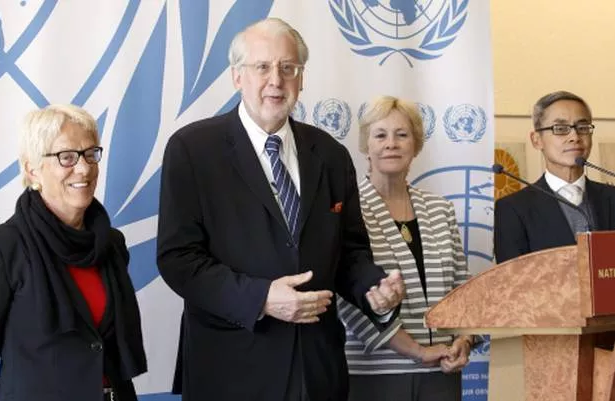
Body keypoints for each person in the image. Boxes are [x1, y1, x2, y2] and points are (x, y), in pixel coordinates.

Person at [157, 18, 405, 401]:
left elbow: (350, 253)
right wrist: (260, 298)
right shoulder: (192, 150)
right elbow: (178, 259)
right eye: (262, 67)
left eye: (288, 68)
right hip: (230, 372)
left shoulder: (331, 155)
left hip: (317, 371)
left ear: (301, 78)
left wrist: (374, 288)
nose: (276, 80)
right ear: (237, 76)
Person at [0, 105, 147, 401]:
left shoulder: (111, 243)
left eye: (90, 154)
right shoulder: (2, 248)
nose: (84, 168)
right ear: (32, 169)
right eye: (67, 157)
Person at [337, 96, 474, 401]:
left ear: (416, 144)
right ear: (366, 145)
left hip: (442, 370)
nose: (391, 144)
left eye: (402, 134)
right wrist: (416, 351)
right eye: (380, 135)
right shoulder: (347, 210)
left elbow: (462, 289)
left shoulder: (440, 209)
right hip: (376, 374)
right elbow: (347, 299)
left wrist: (464, 340)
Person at [494, 91, 615, 263]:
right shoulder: (513, 209)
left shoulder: (611, 197)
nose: (574, 137)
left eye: (582, 128)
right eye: (560, 129)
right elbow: (512, 277)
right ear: (536, 140)